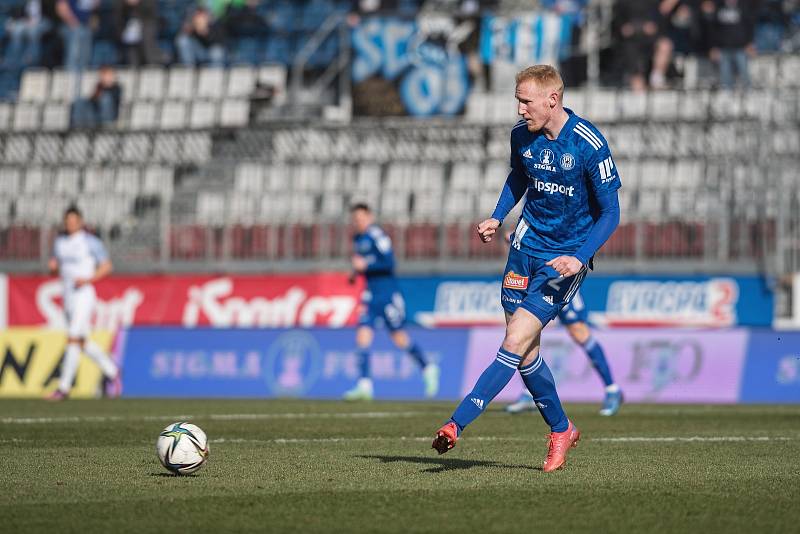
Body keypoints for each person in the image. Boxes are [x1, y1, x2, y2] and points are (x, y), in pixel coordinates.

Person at [431, 65, 621, 472]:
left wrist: (580, 256)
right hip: (523, 249)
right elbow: (519, 176)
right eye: (517, 100)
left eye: (526, 101)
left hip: (561, 261)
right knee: (526, 351)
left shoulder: (588, 143)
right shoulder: (522, 136)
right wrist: (498, 216)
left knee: (515, 341)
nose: (519, 109)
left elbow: (610, 212)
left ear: (553, 99)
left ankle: (456, 423)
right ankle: (562, 428)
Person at [344, 203, 440, 401]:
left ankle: (428, 367)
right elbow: (362, 265)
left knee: (399, 338)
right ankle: (364, 386)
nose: (358, 222)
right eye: (355, 220)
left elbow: (389, 262)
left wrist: (366, 265)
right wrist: (355, 273)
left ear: (369, 217)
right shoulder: (357, 239)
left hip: (387, 295)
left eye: (361, 218)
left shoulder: (377, 236)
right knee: (362, 336)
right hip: (371, 295)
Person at [505, 287, 623, 416]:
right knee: (526, 332)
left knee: (579, 332)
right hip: (534, 284)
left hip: (559, 281)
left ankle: (612, 390)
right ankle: (530, 393)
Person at [46, 206, 120, 401]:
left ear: (80, 222)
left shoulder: (90, 242)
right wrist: (53, 269)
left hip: (84, 294)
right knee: (82, 341)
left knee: (72, 338)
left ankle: (64, 387)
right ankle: (112, 371)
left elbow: (107, 266)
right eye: (67, 221)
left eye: (73, 221)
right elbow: (56, 268)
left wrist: (88, 279)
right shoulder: (60, 242)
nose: (70, 224)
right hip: (68, 295)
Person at [2, 1, 51, 68]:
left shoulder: (44, 2)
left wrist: (35, 22)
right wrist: (12, 21)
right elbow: (18, 14)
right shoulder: (23, 2)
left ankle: (32, 57)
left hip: (44, 21)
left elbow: (51, 14)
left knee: (33, 31)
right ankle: (13, 58)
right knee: (17, 30)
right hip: (27, 22)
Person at [112, 0, 162, 66]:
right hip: (127, 29)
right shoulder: (120, 4)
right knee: (129, 44)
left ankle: (151, 64)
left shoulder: (148, 3)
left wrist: (138, 2)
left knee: (147, 36)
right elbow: (117, 19)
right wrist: (126, 4)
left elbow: (151, 12)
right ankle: (131, 64)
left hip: (145, 25)